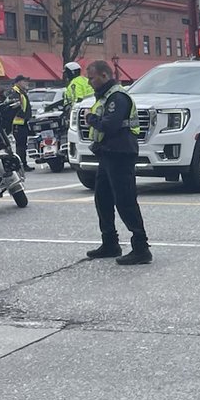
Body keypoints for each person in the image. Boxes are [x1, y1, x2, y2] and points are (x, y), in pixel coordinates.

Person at [83, 60, 151, 265]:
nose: (89, 82)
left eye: (92, 77)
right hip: (108, 153)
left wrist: (91, 119)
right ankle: (110, 242)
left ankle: (141, 247)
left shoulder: (117, 97)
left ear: (104, 75)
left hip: (120, 153)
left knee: (125, 200)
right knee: (102, 198)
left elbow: (110, 125)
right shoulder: (105, 97)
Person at [7, 76, 33, 170]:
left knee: (22, 144)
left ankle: (23, 164)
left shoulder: (20, 92)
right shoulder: (15, 92)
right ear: (18, 82)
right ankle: (21, 165)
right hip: (17, 123)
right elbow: (14, 107)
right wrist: (22, 115)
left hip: (22, 122)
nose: (26, 83)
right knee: (20, 145)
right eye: (24, 81)